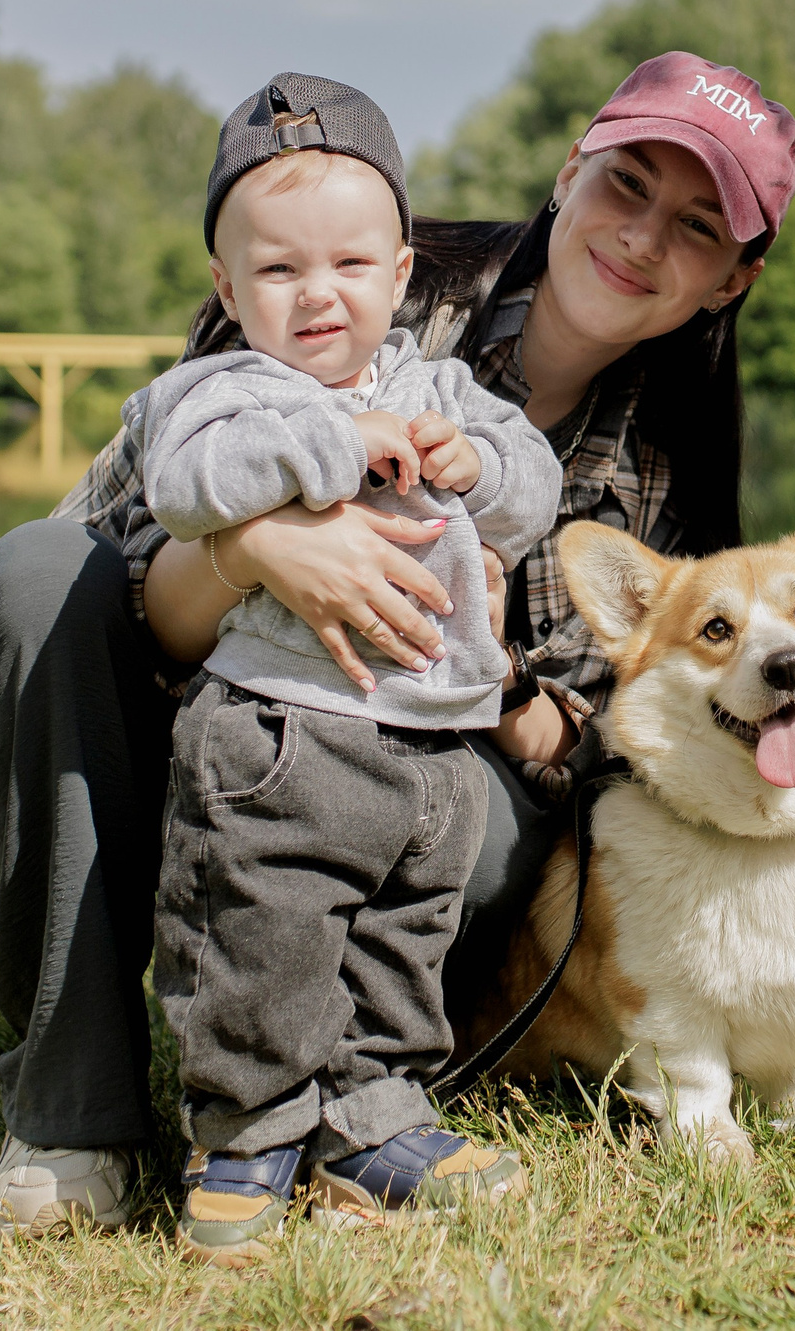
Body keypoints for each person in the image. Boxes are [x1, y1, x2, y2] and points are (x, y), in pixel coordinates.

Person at [0, 52, 795, 1239]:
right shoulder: (337, 268)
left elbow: (595, 760)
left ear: (735, 277)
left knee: (489, 831)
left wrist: (489, 665)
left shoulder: (661, 482)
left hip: (347, 773)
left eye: (695, 226)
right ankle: (75, 1115)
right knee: (36, 569)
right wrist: (259, 550)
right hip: (55, 726)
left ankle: (345, 1099)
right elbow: (93, 595)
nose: (641, 236)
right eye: (626, 184)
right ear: (571, 170)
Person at [130, 75, 561, 1263]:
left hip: (431, 739)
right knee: (263, 936)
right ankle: (246, 1131)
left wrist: (475, 464)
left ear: (402, 273)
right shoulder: (228, 393)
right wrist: (335, 439)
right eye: (279, 270)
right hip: (283, 736)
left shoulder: (443, 391)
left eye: (351, 265)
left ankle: (372, 1118)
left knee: (400, 938)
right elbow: (186, 486)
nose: (318, 294)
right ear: (229, 290)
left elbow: (533, 492)